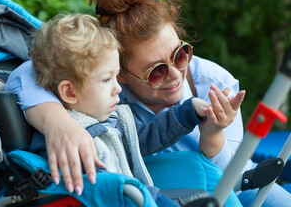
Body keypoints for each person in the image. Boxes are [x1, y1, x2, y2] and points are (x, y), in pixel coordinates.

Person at [6, 0, 291, 206]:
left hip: (225, 179)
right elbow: (27, 72)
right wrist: (58, 124)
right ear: (120, 73)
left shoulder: (214, 83)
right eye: (156, 72)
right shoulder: (101, 94)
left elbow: (236, 179)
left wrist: (213, 136)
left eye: (180, 54)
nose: (176, 74)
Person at [24, 12, 221, 206]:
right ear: (69, 92)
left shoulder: (108, 118)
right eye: (106, 79)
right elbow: (106, 190)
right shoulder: (72, 145)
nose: (118, 88)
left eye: (116, 76)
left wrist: (187, 113)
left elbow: (143, 138)